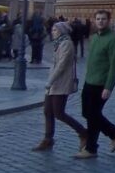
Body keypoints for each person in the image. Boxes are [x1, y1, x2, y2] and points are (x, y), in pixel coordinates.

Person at [74, 10, 115, 159]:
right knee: (87, 113)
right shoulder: (94, 38)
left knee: (93, 114)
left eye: (103, 19)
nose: (100, 21)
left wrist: (108, 87)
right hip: (89, 81)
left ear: (108, 21)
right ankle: (111, 135)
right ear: (94, 21)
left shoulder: (113, 40)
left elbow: (114, 66)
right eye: (98, 19)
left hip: (101, 84)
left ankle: (94, 146)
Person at [31, 21, 87, 153]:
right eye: (52, 30)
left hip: (61, 82)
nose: (52, 32)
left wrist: (50, 80)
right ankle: (48, 139)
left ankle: (83, 132)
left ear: (61, 31)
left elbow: (61, 65)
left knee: (59, 113)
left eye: (55, 30)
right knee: (47, 111)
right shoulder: (59, 43)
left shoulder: (66, 43)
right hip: (53, 83)